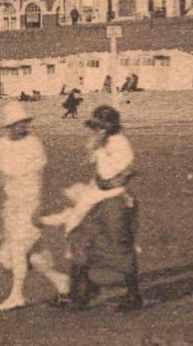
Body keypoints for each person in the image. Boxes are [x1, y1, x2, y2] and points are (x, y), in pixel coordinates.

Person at [43, 105, 142, 312]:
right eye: (96, 126)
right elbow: (92, 163)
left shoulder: (120, 142)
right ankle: (81, 289)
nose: (98, 129)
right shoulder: (100, 141)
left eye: (102, 126)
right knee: (79, 237)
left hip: (114, 198)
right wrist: (94, 146)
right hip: (95, 194)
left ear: (112, 126)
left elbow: (130, 169)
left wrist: (114, 182)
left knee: (119, 245)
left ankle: (133, 295)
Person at [0, 102, 69, 311]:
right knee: (29, 254)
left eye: (23, 123)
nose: (21, 127)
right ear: (9, 126)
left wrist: (39, 207)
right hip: (12, 205)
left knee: (19, 249)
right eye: (16, 123)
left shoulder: (34, 144)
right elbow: (1, 174)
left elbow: (42, 178)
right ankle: (62, 282)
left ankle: (17, 295)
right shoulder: (2, 144)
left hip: (31, 203)